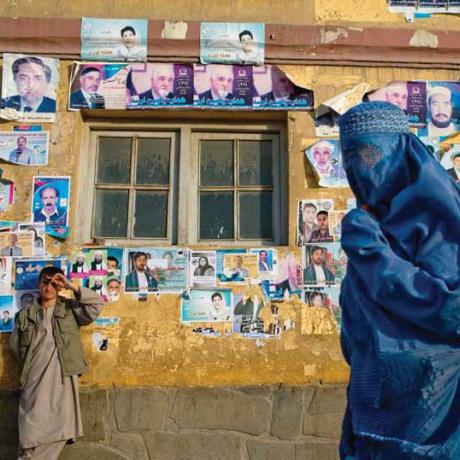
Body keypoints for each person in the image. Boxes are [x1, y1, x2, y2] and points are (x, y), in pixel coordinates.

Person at [338, 101, 460, 459]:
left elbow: (451, 308)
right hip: (373, 405)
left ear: (402, 153)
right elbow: (354, 325)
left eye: (372, 155)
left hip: (433, 410)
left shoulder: (438, 220)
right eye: (351, 158)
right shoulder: (369, 223)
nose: (362, 168)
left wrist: (371, 253)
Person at [9, 266, 103, 459]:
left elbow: (96, 305)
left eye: (55, 283)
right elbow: (15, 346)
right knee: (29, 428)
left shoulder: (70, 309)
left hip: (62, 377)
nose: (49, 287)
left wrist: (70, 286)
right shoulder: (25, 315)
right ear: (39, 284)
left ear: (60, 286)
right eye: (45, 282)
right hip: (33, 379)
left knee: (59, 424)